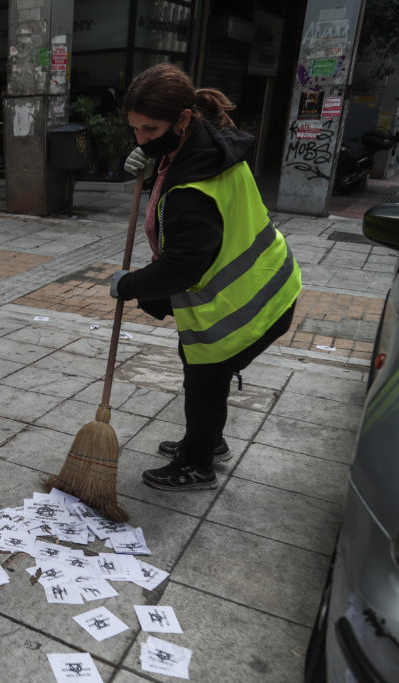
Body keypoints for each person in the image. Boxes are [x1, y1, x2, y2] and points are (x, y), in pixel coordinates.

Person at [111, 63, 301, 491]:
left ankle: (197, 464)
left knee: (205, 382)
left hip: (247, 302)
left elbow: (183, 266)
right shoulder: (206, 145)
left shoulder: (194, 186)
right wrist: (154, 160)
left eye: (151, 130)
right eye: (136, 130)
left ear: (182, 119)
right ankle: (207, 440)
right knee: (200, 373)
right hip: (269, 281)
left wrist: (129, 286)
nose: (142, 138)